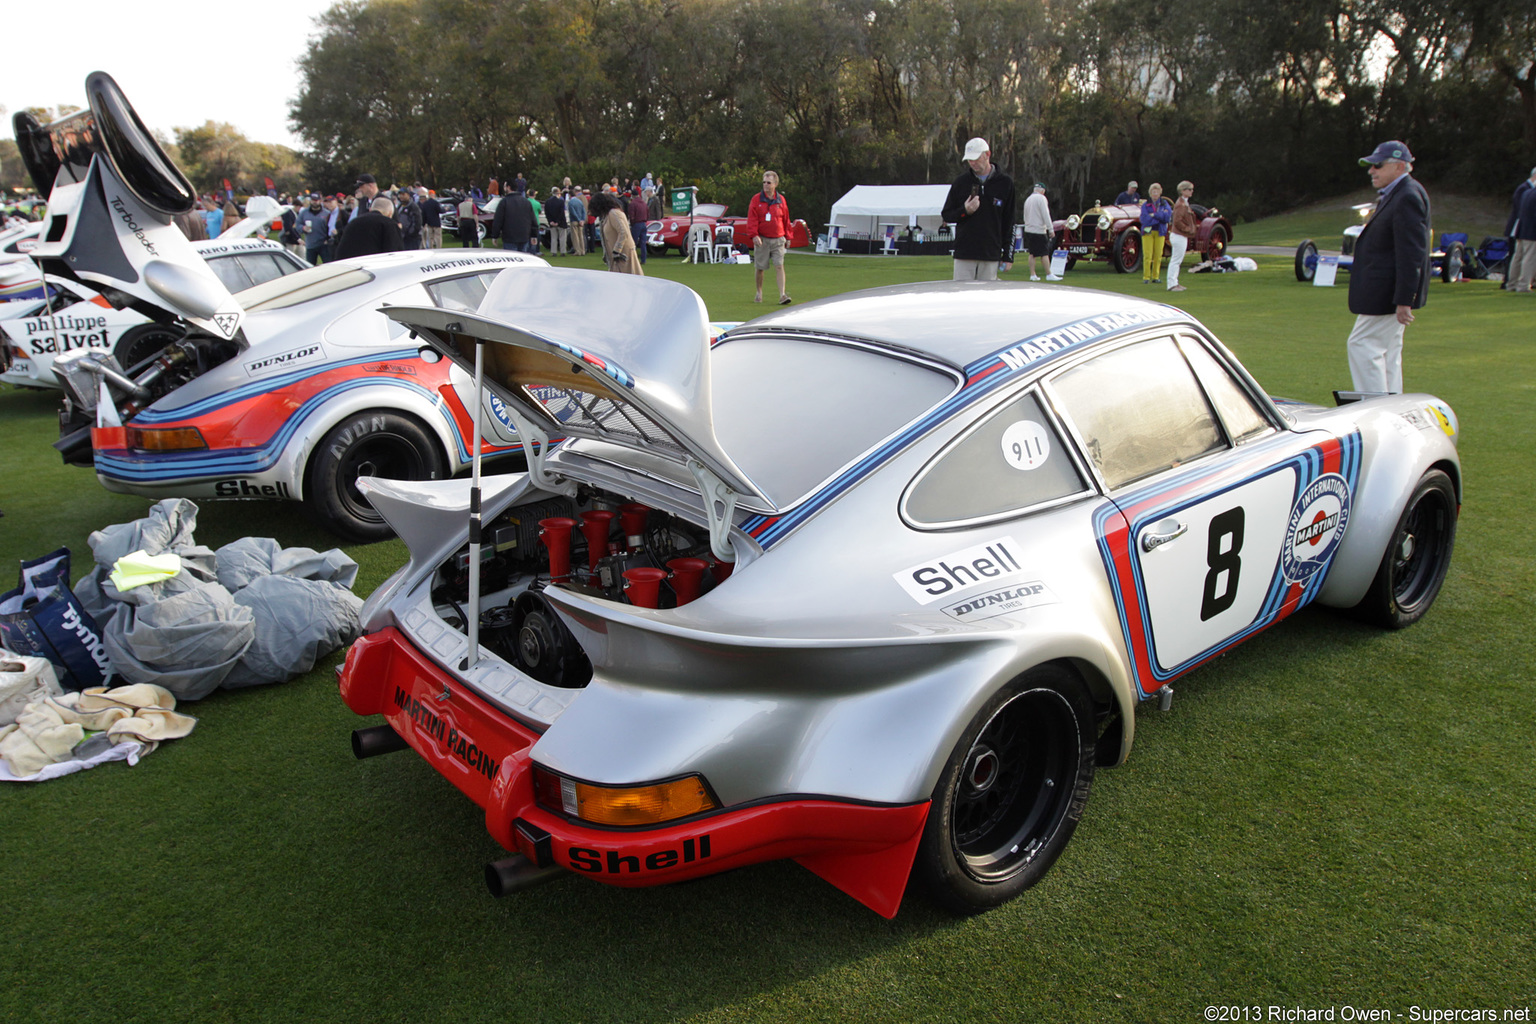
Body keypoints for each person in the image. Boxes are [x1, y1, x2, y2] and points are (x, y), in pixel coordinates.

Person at [1345, 140, 1430, 393]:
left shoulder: (1407, 196)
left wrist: (1405, 299)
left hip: (1387, 293)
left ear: (1400, 166)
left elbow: (1412, 252)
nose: (1372, 171)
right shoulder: (1397, 193)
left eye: (1378, 165)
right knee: (1389, 350)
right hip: (1387, 292)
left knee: (1361, 344)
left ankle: (1375, 408)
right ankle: (1392, 407)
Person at [942, 139, 1016, 282]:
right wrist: (965, 211)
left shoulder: (1005, 183)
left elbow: (1009, 221)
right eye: (969, 160)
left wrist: (1008, 256)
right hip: (964, 254)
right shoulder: (961, 182)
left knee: (987, 301)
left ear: (988, 154)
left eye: (976, 158)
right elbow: (947, 214)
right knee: (962, 298)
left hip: (990, 254)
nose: (973, 163)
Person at [744, 171, 792, 301]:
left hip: (778, 239)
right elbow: (752, 218)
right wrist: (754, 235)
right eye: (764, 182)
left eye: (769, 182)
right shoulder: (756, 199)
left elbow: (786, 219)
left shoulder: (781, 200)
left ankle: (782, 294)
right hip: (762, 239)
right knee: (760, 268)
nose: (766, 185)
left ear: (775, 184)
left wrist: (788, 237)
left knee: (779, 265)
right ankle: (759, 292)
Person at [334, 196, 405, 259]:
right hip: (372, 267)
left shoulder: (354, 222)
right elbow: (395, 253)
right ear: (390, 214)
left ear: (370, 209)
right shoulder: (389, 224)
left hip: (349, 266)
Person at [592, 191, 643, 275]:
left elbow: (624, 232)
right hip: (617, 256)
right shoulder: (607, 215)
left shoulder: (614, 213)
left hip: (623, 254)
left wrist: (617, 250)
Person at [1020, 182, 1058, 281]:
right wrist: (1051, 229)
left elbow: (1025, 215)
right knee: (1044, 253)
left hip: (1029, 229)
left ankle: (1033, 274)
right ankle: (1049, 274)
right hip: (1039, 230)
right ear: (1042, 191)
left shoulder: (1028, 199)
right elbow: (1046, 214)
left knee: (1032, 253)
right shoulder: (1041, 199)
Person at [1167, 180, 1198, 292]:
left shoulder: (1184, 203)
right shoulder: (1181, 205)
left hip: (1180, 235)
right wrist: (1189, 229)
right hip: (1179, 235)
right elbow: (1177, 221)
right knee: (1176, 260)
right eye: (1189, 189)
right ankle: (1172, 284)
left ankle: (1175, 282)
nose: (1191, 191)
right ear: (1183, 191)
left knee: (1177, 260)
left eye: (1192, 189)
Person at [1139, 183, 1171, 284]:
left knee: (1158, 254)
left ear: (1160, 192)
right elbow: (1144, 219)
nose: (1155, 193)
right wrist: (1158, 218)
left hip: (1160, 231)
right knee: (1148, 254)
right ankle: (1146, 277)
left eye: (1157, 191)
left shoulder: (1164, 204)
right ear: (1150, 193)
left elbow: (1167, 217)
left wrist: (1154, 215)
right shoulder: (1145, 205)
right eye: (1153, 191)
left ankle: (1155, 276)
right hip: (1148, 231)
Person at [1508, 181, 1536, 293]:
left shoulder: (1527, 192)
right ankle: (1524, 285)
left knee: (1517, 257)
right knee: (1529, 259)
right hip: (1532, 231)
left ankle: (1511, 284)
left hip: (1522, 230)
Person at [297, 194, 329, 264]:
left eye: (316, 200)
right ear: (310, 201)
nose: (315, 202)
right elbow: (297, 225)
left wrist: (328, 239)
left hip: (323, 244)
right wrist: (303, 228)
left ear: (320, 201)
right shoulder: (304, 213)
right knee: (310, 266)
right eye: (313, 200)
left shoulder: (326, 213)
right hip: (310, 245)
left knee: (328, 265)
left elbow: (330, 227)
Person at [626, 186, 650, 264]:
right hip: (644, 223)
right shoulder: (643, 203)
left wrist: (632, 223)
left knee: (633, 243)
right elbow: (647, 213)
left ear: (632, 196)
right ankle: (643, 259)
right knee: (643, 243)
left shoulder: (633, 204)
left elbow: (631, 215)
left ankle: (633, 259)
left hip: (636, 224)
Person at [545, 186, 569, 255]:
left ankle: (554, 251)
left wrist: (550, 221)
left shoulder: (547, 202)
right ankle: (563, 251)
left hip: (552, 222)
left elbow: (547, 213)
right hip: (561, 222)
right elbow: (561, 213)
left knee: (553, 238)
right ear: (558, 193)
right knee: (562, 238)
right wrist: (558, 222)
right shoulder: (561, 201)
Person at [566, 187, 587, 256]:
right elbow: (583, 211)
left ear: (569, 195)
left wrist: (578, 219)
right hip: (581, 220)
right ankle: (583, 250)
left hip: (574, 220)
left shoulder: (570, 202)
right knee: (581, 236)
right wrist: (582, 220)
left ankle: (578, 251)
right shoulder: (579, 201)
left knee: (575, 237)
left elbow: (573, 212)